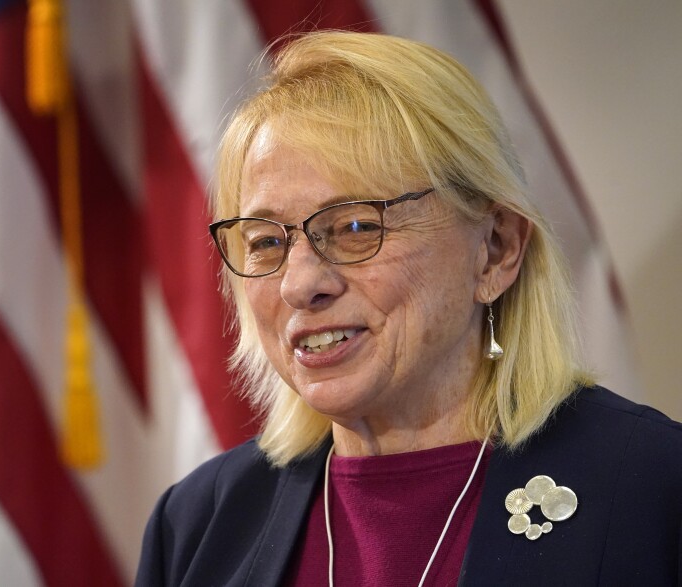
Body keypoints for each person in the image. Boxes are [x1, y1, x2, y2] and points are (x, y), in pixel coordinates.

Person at [135, 31, 682, 586]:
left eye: (354, 226)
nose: (300, 284)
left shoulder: (655, 487)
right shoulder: (196, 524)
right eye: (266, 241)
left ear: (496, 249)